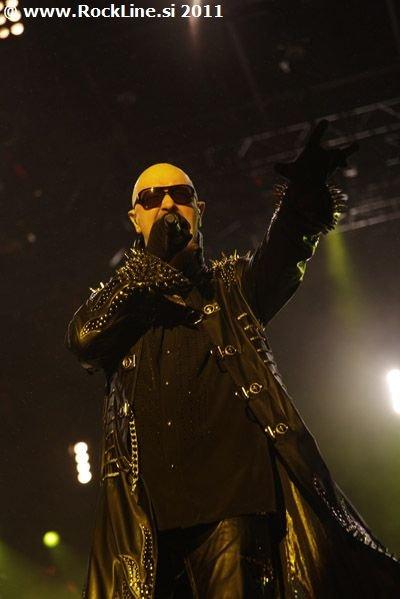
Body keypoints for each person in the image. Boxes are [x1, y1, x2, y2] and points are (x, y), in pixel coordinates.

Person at [66, 121, 400, 598]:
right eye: (152, 198)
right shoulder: (125, 311)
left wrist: (303, 197)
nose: (167, 205)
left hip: (233, 507)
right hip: (151, 524)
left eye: (180, 195)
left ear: (199, 211)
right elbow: (82, 340)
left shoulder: (233, 289)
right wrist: (147, 268)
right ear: (135, 219)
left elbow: (285, 255)